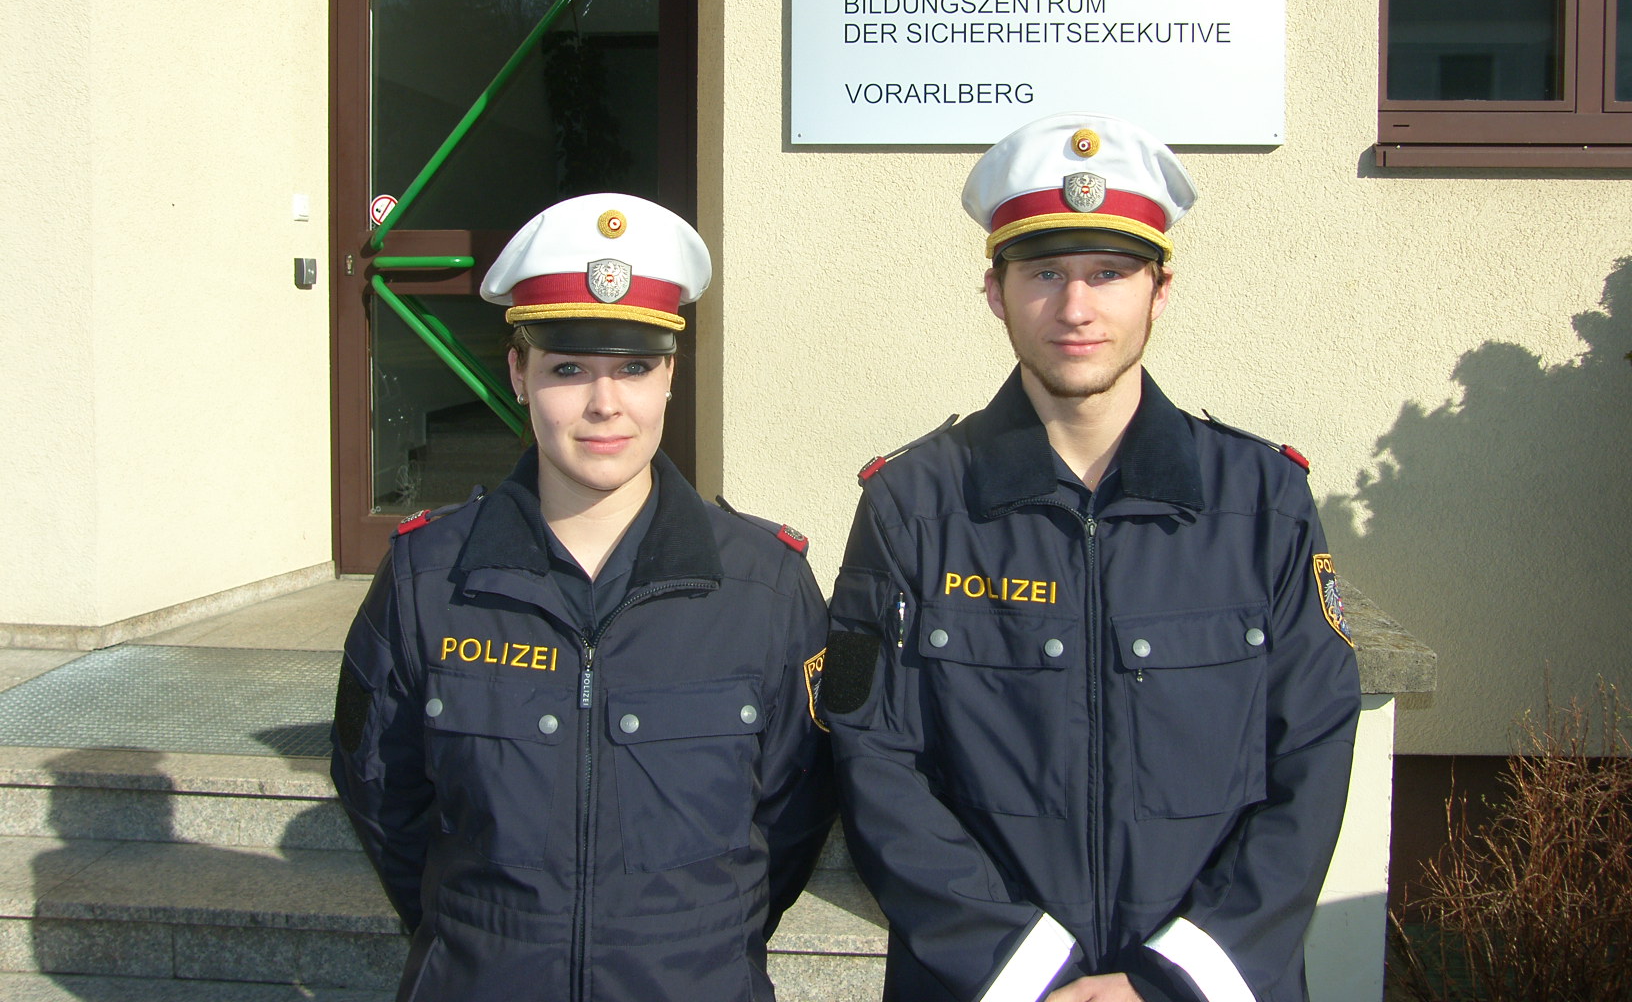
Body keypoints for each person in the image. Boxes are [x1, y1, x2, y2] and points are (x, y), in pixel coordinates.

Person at [820, 113, 1361, 1002]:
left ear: (1160, 290)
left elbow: (1311, 755)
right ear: (995, 292)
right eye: (1044, 273)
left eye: (1109, 273)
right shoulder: (912, 505)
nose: (1076, 309)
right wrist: (1029, 974)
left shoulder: (1263, 503)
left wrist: (1170, 979)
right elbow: (873, 760)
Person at [331, 193, 834, 1002]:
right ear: (518, 375)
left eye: (634, 368)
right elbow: (381, 794)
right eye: (568, 369)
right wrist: (488, 935)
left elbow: (796, 814)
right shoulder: (429, 576)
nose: (605, 404)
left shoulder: (764, 585)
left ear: (670, 377)